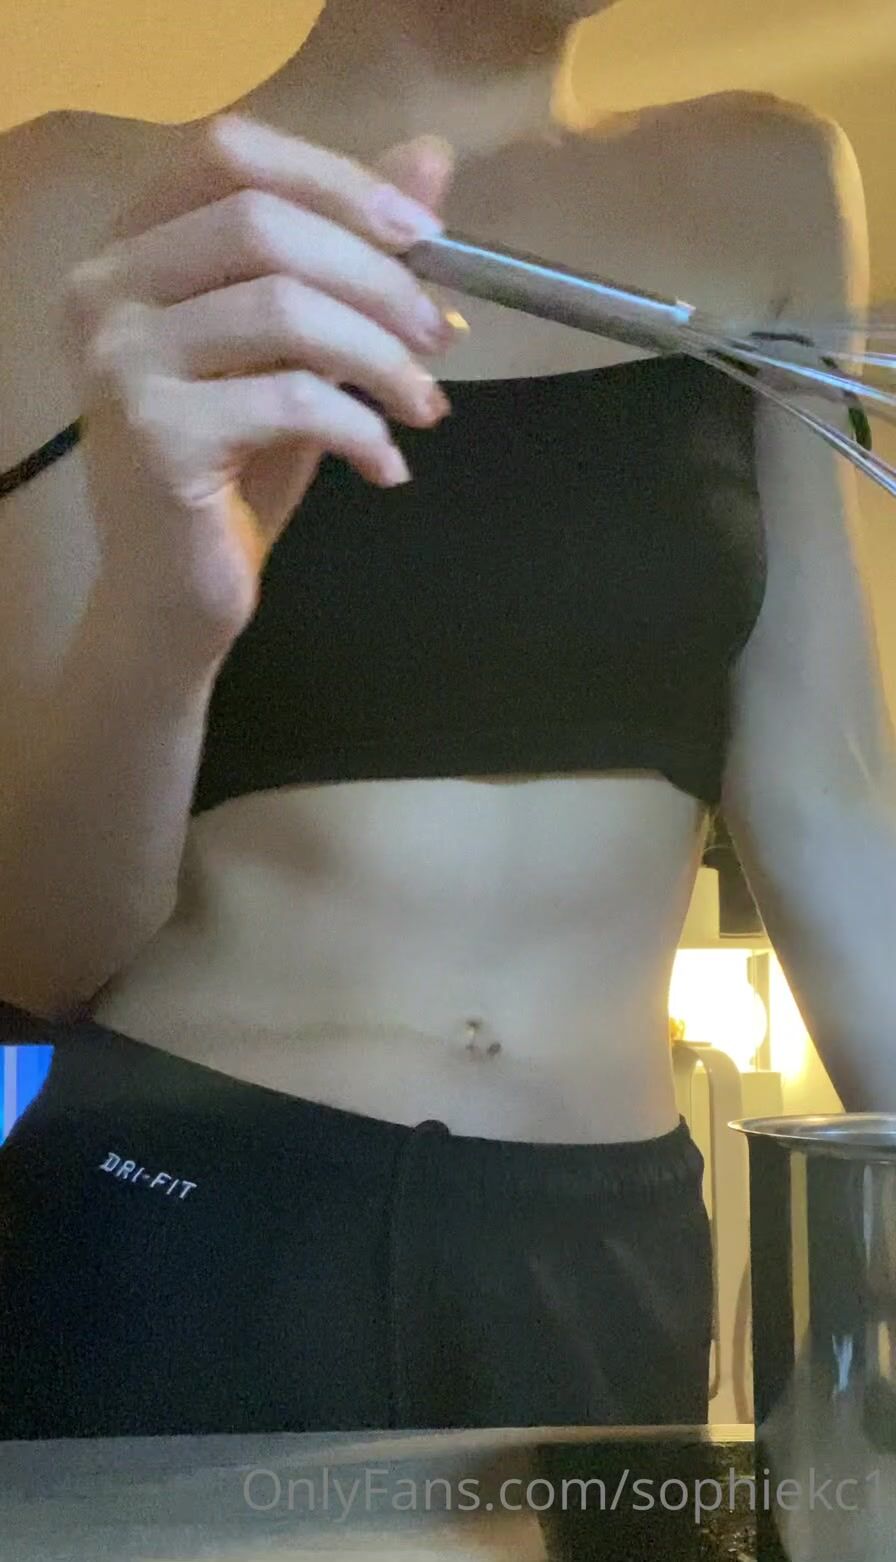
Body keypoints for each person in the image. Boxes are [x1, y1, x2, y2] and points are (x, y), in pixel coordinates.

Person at [0, 0, 893, 1442]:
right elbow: (36, 946)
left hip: (607, 1246)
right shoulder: (72, 201)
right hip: (181, 1229)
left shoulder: (772, 185)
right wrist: (167, 620)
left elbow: (828, 800)